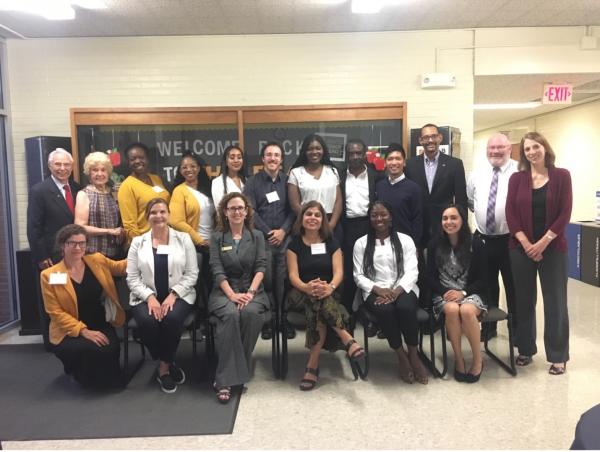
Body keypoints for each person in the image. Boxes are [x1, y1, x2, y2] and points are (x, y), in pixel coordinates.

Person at [506, 132, 572, 375]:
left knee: (556, 302)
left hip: (553, 249)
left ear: (545, 147)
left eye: (536, 147)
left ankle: (557, 356)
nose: (532, 152)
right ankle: (525, 348)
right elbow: (510, 214)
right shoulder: (517, 179)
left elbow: (565, 213)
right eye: (527, 149)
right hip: (520, 249)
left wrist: (543, 242)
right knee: (523, 301)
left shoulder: (562, 176)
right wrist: (526, 243)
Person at [286, 201, 366, 390]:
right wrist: (307, 287)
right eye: (309, 214)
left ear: (323, 220)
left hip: (327, 292)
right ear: (302, 218)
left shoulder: (332, 243)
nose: (312, 218)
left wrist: (329, 287)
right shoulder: (294, 245)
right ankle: (346, 337)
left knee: (319, 309)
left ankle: (312, 366)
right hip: (300, 292)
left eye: (317, 215)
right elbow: (292, 276)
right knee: (317, 299)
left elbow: (339, 272)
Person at [126, 198, 199, 393]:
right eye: (153, 212)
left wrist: (173, 294)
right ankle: (168, 360)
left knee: (171, 318)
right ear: (147, 216)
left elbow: (192, 274)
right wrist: (150, 297)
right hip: (143, 296)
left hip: (179, 294)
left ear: (168, 214)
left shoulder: (183, 239)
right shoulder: (137, 242)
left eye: (162, 212)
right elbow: (132, 278)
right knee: (148, 322)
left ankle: (163, 368)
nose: (158, 216)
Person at [40, 224, 126, 389]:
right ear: (63, 245)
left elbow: (120, 267)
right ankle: (77, 370)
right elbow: (55, 312)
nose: (78, 247)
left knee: (110, 350)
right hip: (68, 329)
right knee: (89, 350)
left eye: (82, 243)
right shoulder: (49, 275)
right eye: (72, 243)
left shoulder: (97, 260)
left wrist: (145, 251)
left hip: (98, 321)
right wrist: (83, 331)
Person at [353, 201, 427, 384]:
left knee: (405, 308)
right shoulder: (361, 243)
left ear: (391, 216)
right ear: (369, 219)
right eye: (374, 215)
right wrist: (378, 290)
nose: (379, 219)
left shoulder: (405, 240)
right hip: (373, 289)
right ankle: (401, 356)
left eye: (383, 214)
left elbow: (412, 271)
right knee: (386, 311)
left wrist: (396, 291)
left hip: (403, 287)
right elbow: (358, 275)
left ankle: (413, 354)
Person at [208, 192, 269, 403]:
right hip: (224, 291)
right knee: (231, 316)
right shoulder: (216, 237)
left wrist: (250, 293)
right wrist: (232, 295)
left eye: (240, 208)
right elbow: (216, 270)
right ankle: (226, 379)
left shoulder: (257, 236)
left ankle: (231, 373)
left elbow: (261, 267)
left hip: (253, 291)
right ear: (225, 212)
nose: (237, 212)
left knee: (251, 315)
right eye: (232, 208)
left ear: (246, 211)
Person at [426, 204, 488, 383]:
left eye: (454, 218)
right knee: (452, 310)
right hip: (444, 294)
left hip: (470, 292)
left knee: (467, 311)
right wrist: (445, 292)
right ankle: (459, 359)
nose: (449, 222)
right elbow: (428, 278)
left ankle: (477, 361)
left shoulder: (475, 244)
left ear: (462, 220)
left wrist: (463, 292)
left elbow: (484, 279)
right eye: (445, 218)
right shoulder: (434, 244)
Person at [27, 148, 81, 349]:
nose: (62, 168)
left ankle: (74, 334)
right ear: (50, 166)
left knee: (71, 297)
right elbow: (34, 227)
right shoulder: (39, 190)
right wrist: (41, 256)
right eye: (58, 164)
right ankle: (53, 342)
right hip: (51, 256)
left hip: (74, 255)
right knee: (53, 299)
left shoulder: (77, 188)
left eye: (66, 164)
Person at [467, 133, 518, 341]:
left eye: (500, 147)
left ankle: (517, 331)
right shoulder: (477, 173)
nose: (495, 151)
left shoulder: (519, 172)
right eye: (491, 148)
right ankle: (489, 328)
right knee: (486, 285)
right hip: (483, 239)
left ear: (509, 149)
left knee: (513, 286)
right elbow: (471, 201)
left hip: (511, 239)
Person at [243, 141, 296, 340]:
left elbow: (293, 210)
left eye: (276, 155)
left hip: (285, 239)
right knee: (266, 279)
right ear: (263, 158)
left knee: (284, 279)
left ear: (281, 160)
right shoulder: (253, 182)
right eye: (269, 155)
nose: (273, 158)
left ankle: (283, 317)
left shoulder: (289, 181)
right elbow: (250, 211)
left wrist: (282, 231)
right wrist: (268, 233)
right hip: (262, 239)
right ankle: (269, 319)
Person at [339, 138, 383, 315]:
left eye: (358, 153)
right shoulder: (340, 175)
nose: (355, 156)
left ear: (365, 154)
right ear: (346, 155)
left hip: (369, 225)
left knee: (372, 269)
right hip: (347, 226)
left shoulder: (377, 176)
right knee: (349, 272)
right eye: (351, 153)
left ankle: (371, 313)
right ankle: (347, 313)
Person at [405, 124, 467, 248]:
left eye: (433, 136)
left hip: (445, 224)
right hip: (418, 224)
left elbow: (461, 199)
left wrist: (462, 227)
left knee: (442, 262)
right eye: (426, 137)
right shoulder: (410, 165)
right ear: (420, 141)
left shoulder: (455, 164)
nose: (430, 140)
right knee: (420, 264)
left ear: (440, 138)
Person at [169, 151, 215, 293]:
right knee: (197, 284)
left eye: (192, 166)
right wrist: (199, 240)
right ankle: (199, 313)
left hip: (213, 243)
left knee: (213, 281)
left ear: (199, 168)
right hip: (195, 246)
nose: (189, 170)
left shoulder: (208, 188)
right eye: (184, 167)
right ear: (180, 170)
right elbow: (176, 221)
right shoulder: (179, 191)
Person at [287, 133, 343, 241]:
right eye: (310, 149)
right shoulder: (296, 173)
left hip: (332, 225)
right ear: (304, 151)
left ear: (323, 150)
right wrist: (312, 222)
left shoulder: (332, 171)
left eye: (318, 148)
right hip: (306, 225)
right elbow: (294, 205)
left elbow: (338, 201)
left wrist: (330, 225)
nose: (314, 152)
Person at [75, 151, 125, 259]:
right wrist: (109, 231)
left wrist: (121, 231)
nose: (100, 174)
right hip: (93, 254)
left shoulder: (113, 192)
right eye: (95, 170)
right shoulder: (84, 194)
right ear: (89, 173)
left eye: (103, 170)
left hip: (115, 254)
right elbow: (80, 228)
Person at [118, 142, 170, 243]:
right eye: (133, 159)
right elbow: (129, 225)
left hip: (165, 238)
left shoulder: (156, 179)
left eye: (141, 157)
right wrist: (141, 246)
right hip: (146, 242)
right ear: (128, 162)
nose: (138, 161)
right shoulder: (127, 186)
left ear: (147, 159)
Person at [376, 143, 423, 246]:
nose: (394, 162)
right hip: (383, 243)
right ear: (385, 163)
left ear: (404, 162)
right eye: (390, 159)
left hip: (406, 243)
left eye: (398, 158)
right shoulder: (379, 186)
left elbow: (417, 220)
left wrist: (415, 245)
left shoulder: (413, 188)